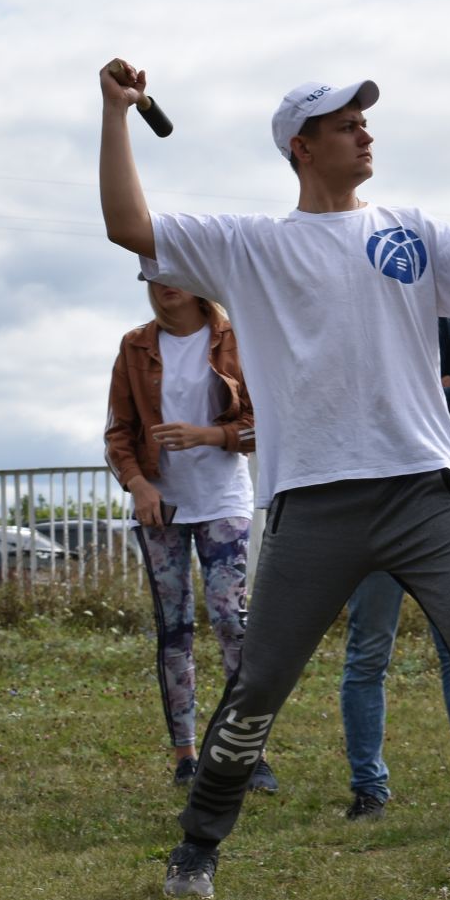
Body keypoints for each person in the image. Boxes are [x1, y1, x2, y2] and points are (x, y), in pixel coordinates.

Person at [97, 61, 450, 900]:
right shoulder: (252, 247)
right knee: (261, 680)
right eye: (346, 123)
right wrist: (116, 114)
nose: (366, 131)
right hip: (312, 504)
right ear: (302, 148)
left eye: (365, 120)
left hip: (424, 492)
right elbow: (129, 224)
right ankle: (198, 844)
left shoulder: (415, 231)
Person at [340, 317, 450, 820]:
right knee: (368, 654)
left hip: (432, 506)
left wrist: (388, 397)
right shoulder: (350, 322)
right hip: (368, 505)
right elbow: (345, 408)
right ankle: (368, 788)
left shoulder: (441, 325)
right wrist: (431, 389)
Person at [104, 272, 273, 792]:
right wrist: (138, 486)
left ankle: (246, 753)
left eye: (172, 275)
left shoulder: (237, 337)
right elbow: (117, 433)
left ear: (197, 281)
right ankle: (186, 755)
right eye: (151, 277)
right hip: (161, 508)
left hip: (224, 502)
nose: (161, 285)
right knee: (173, 628)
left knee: (232, 620)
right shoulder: (135, 346)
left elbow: (265, 423)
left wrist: (208, 435)